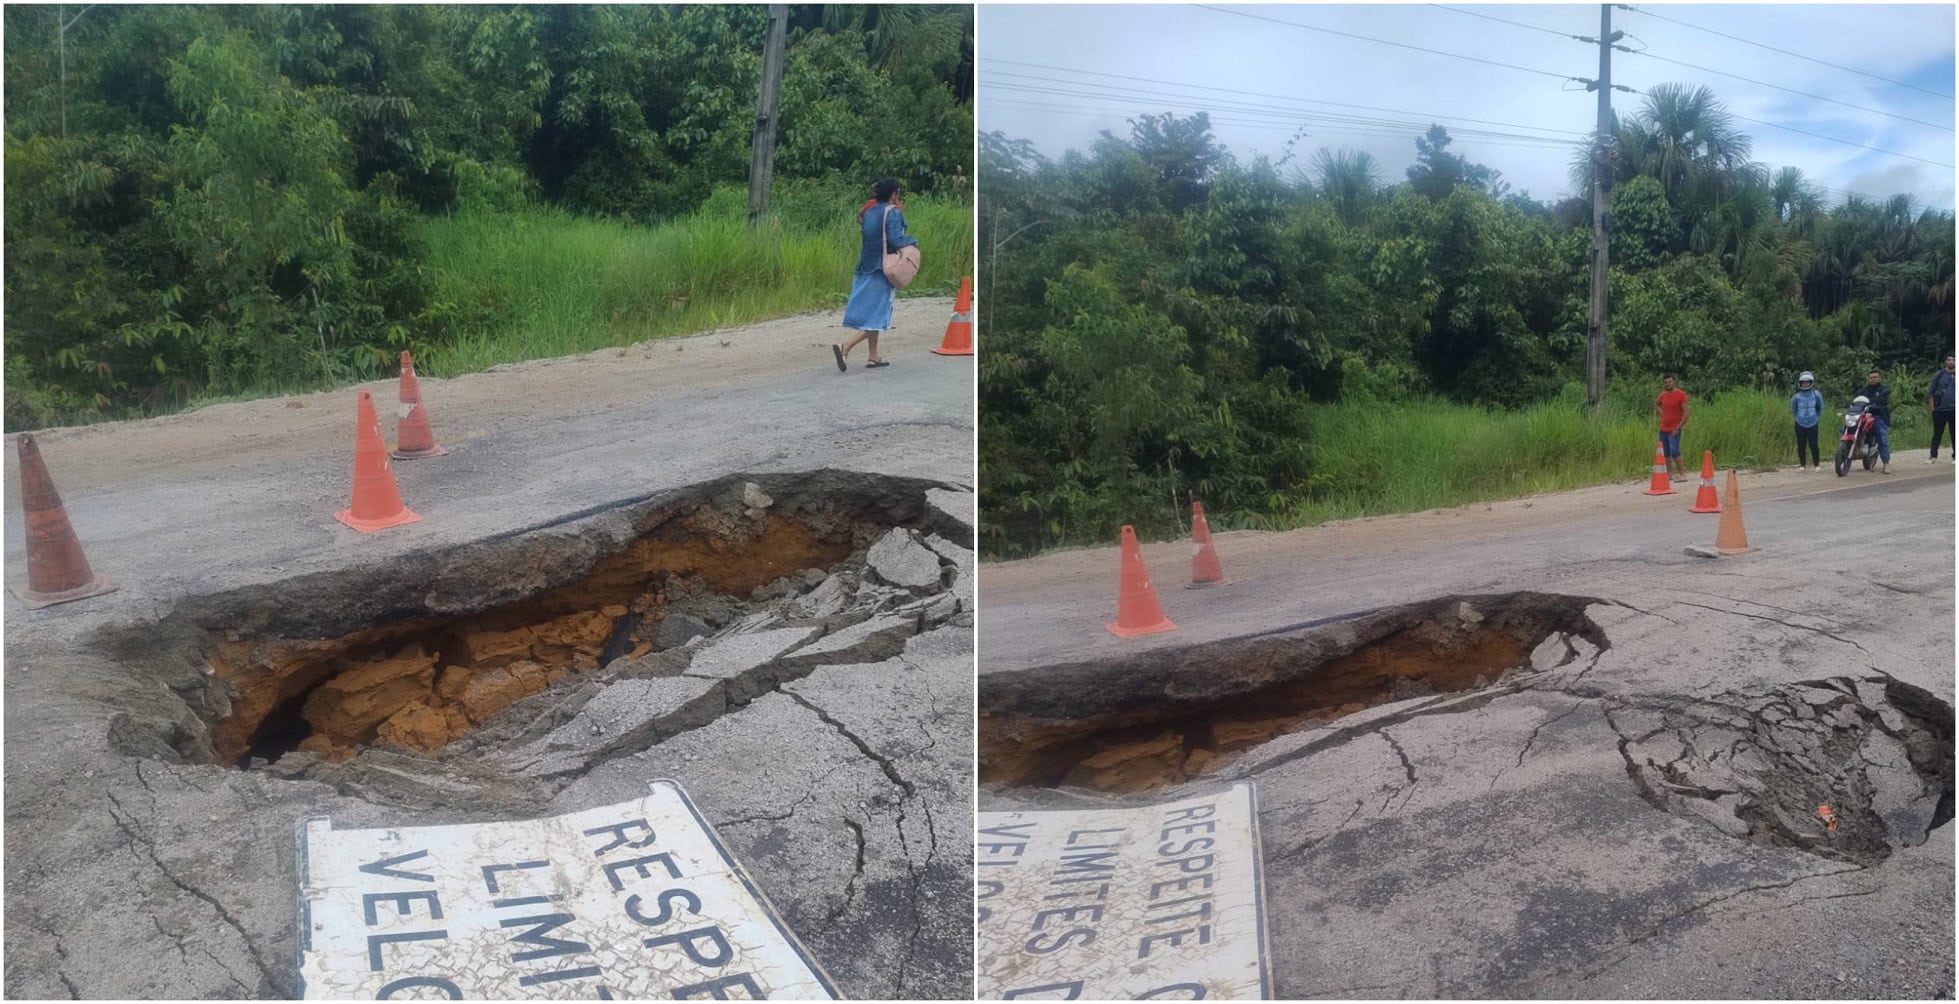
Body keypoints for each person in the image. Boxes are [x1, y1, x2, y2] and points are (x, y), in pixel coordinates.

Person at [833, 177, 916, 373]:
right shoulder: (893, 212)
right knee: (878, 314)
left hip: (865, 265)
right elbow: (896, 240)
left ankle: (873, 356)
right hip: (883, 268)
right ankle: (847, 347)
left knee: (873, 312)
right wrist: (913, 242)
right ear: (894, 194)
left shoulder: (869, 212)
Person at [1654, 374, 1690, 481]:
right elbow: (1656, 404)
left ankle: (1682, 474)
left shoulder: (1681, 394)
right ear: (1663, 384)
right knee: (1666, 452)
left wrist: (1679, 427)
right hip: (1663, 428)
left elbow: (1686, 412)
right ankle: (1669, 474)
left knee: (1675, 451)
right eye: (1666, 382)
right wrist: (1662, 414)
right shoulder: (1663, 395)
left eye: (1670, 382)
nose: (1668, 384)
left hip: (1675, 428)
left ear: (1673, 382)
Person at [1791, 370, 1825, 471]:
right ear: (1800, 383)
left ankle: (1816, 464)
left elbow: (1820, 407)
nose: (1805, 384)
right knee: (1801, 444)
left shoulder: (1816, 394)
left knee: (1813, 444)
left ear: (1811, 382)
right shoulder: (1796, 397)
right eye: (1803, 383)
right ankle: (1802, 465)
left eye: (1807, 382)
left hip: (1813, 423)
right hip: (1799, 424)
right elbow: (1794, 410)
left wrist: (1815, 417)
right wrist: (1799, 418)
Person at [1863, 368, 1893, 474]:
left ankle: (1886, 463)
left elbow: (1881, 399)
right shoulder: (1864, 389)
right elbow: (1857, 397)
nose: (1873, 379)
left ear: (1880, 378)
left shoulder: (1884, 389)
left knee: (1882, 437)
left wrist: (1868, 401)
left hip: (1878, 415)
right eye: (1871, 377)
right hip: (1863, 415)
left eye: (1875, 377)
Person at [1928, 353, 1955, 463]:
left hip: (1954, 410)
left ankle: (1955, 456)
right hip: (1940, 410)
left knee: (1955, 434)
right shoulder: (1939, 375)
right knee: (1937, 434)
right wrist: (1932, 409)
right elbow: (1931, 393)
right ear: (1945, 361)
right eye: (1949, 360)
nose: (1951, 362)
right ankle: (1933, 456)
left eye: (1954, 360)